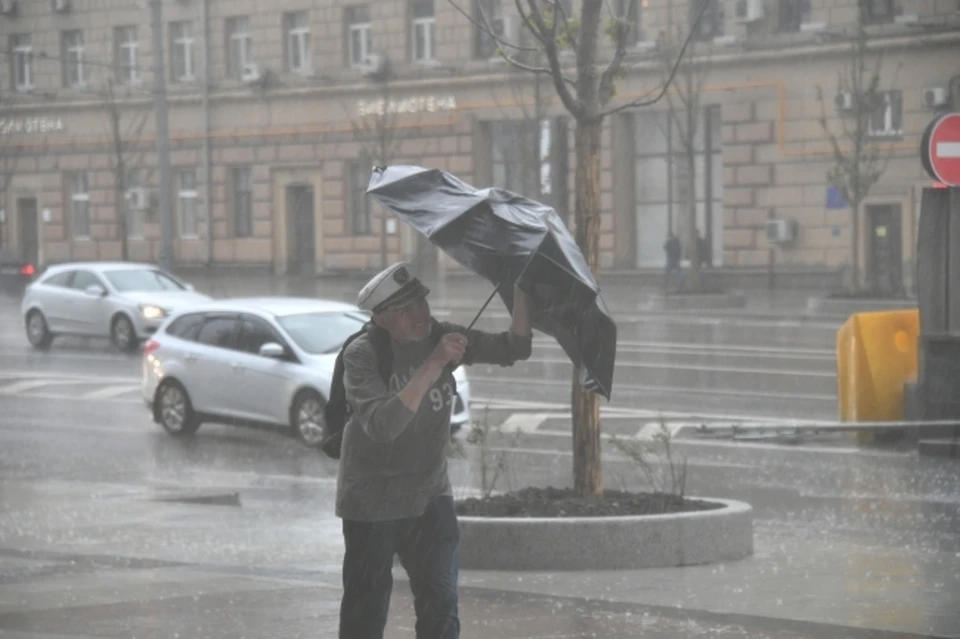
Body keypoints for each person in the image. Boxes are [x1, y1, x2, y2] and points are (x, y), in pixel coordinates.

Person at [337, 261, 533, 639]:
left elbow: (515, 347)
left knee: (441, 607)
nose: (420, 314)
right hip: (371, 502)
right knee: (366, 613)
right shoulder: (362, 354)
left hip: (429, 497)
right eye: (405, 310)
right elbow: (383, 425)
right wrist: (435, 363)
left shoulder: (440, 335)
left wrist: (520, 288)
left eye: (421, 302)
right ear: (381, 320)